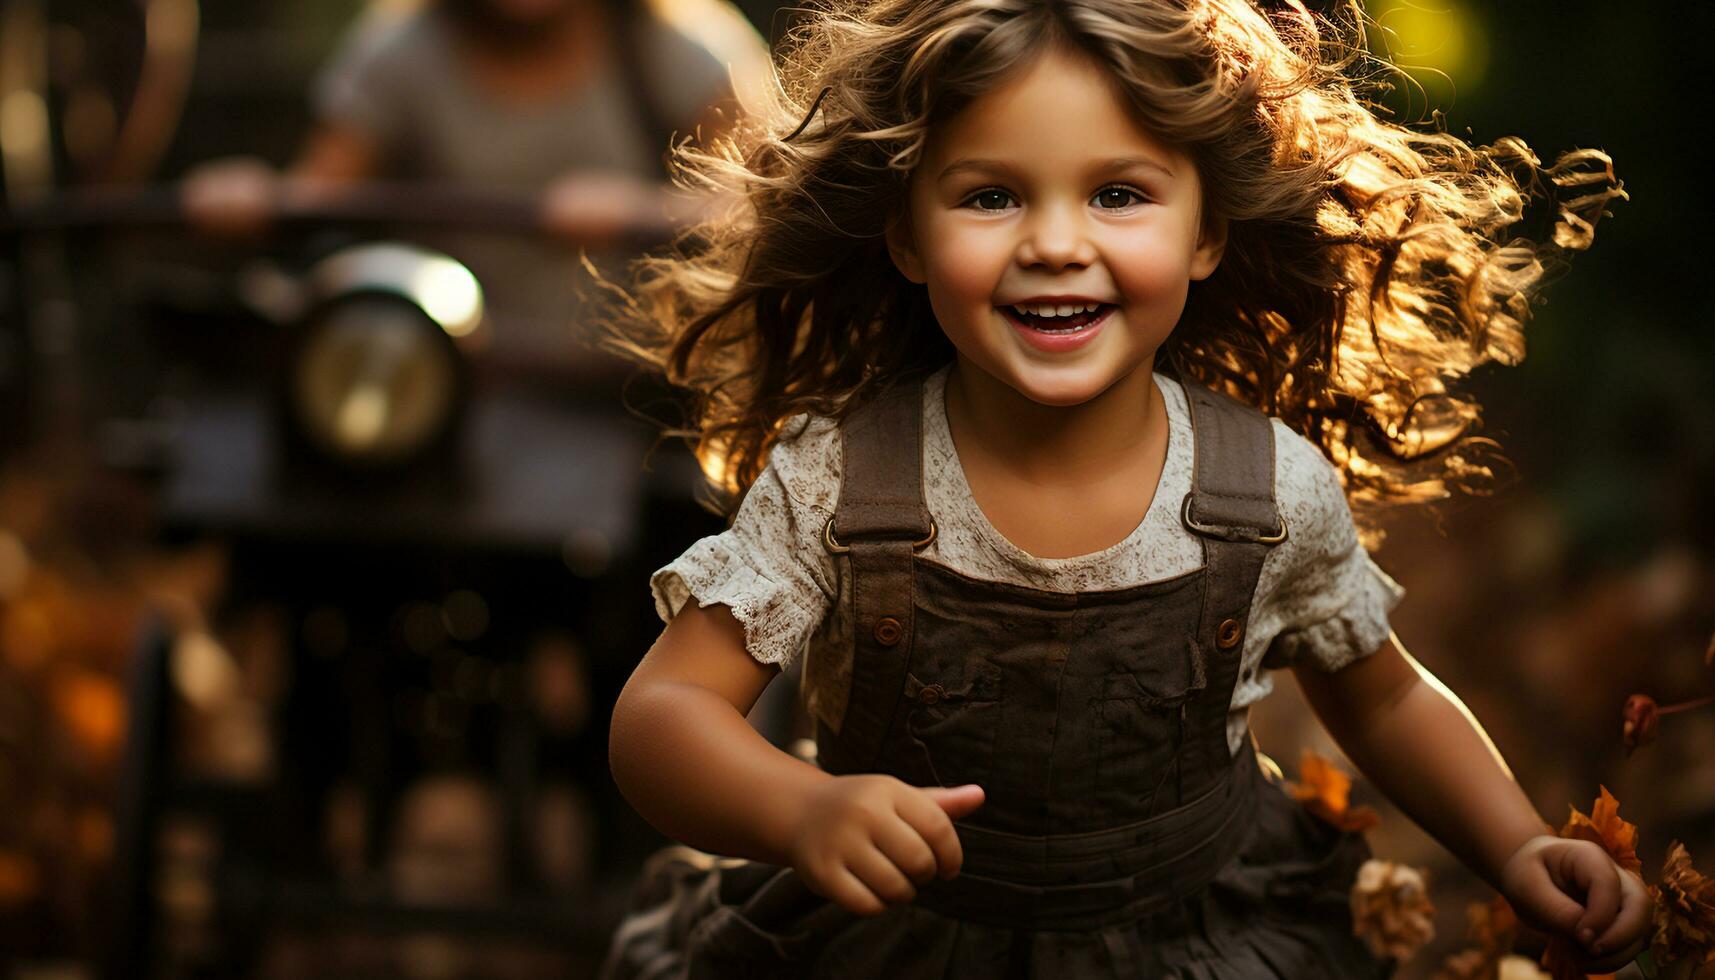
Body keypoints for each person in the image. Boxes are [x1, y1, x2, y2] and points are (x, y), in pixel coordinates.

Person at [596, 0, 1645, 976]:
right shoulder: (837, 482)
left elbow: (1386, 698)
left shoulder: (1266, 487)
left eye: (1117, 193)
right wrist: (796, 809)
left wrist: (1514, 846)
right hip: (897, 943)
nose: (1056, 242)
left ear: (1204, 233)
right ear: (908, 237)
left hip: (1197, 937)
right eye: (991, 195)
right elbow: (663, 713)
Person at [182, 0, 764, 381]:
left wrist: (641, 208)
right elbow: (318, 192)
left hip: (639, 392)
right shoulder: (403, 49)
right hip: (443, 379)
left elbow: (773, 208)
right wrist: (253, 198)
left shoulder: (675, 46)